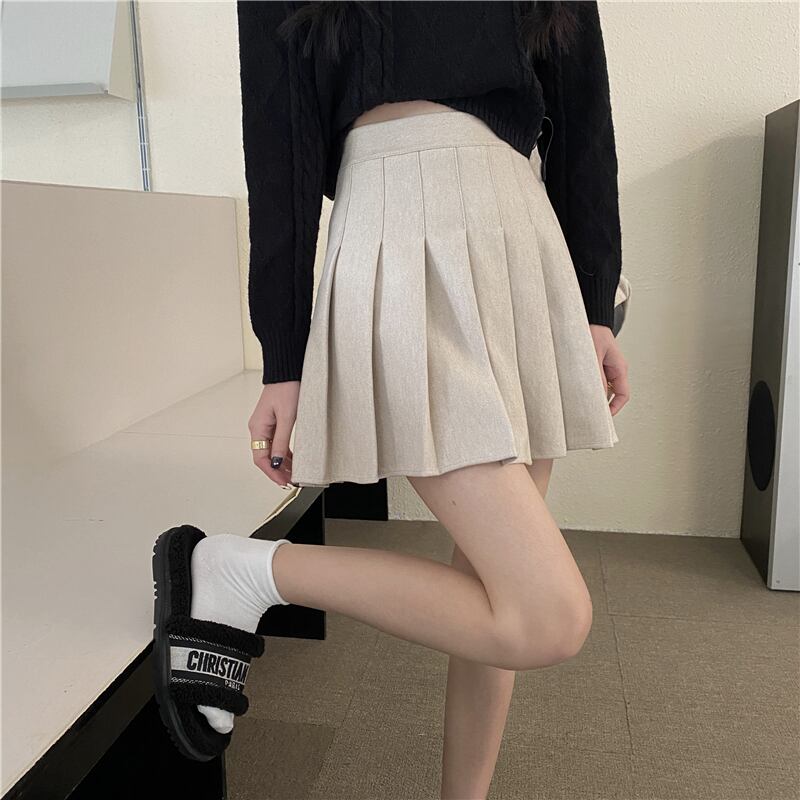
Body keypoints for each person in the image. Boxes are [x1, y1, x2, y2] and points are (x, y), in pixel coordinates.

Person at [152, 2, 631, 797]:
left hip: (521, 229)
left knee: (496, 588)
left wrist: (592, 301)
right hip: (399, 228)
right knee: (546, 616)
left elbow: (584, 109)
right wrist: (283, 355)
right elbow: (280, 139)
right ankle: (241, 573)